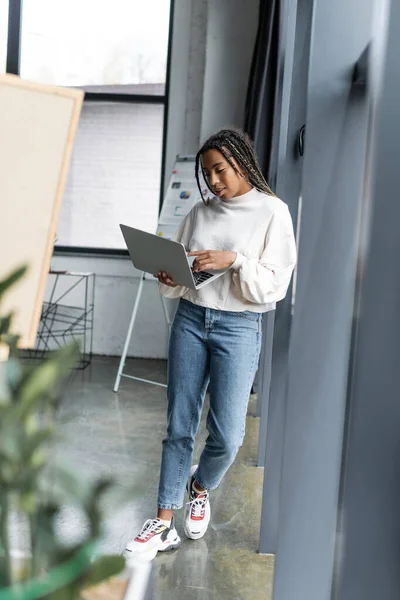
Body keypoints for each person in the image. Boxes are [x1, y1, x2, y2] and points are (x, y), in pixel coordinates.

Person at [124, 127, 297, 562]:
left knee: (228, 434)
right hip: (191, 319)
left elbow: (274, 286)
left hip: (239, 327)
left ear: (242, 161)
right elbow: (181, 270)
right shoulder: (201, 213)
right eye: (207, 173)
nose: (214, 181)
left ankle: (199, 486)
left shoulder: (273, 212)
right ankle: (163, 523)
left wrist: (235, 260)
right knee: (179, 424)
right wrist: (168, 274)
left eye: (220, 169)